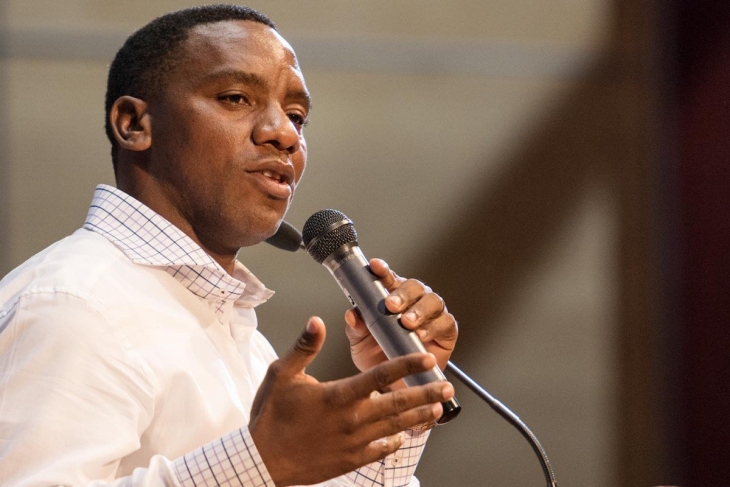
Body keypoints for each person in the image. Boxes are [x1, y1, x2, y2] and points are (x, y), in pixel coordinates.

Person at [0, 5, 458, 487]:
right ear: (135, 124)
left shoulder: (234, 334)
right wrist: (257, 463)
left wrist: (399, 400)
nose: (285, 134)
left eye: (297, 116)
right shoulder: (74, 304)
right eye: (236, 98)